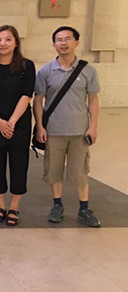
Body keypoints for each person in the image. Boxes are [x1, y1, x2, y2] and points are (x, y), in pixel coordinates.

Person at [34, 26, 101, 227]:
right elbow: (38, 100)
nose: (63, 43)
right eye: (59, 40)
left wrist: (93, 126)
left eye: (67, 39)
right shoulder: (46, 71)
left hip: (79, 131)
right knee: (53, 170)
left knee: (80, 171)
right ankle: (57, 205)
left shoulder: (88, 70)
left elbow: (93, 100)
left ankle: (84, 208)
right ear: (53, 44)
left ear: (76, 42)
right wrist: (40, 126)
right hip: (53, 131)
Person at [0, 25, 35, 227]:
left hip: (19, 124)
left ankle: (14, 207)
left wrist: (11, 122)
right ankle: (0, 206)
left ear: (15, 43)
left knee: (19, 165)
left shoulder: (26, 66)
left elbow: (27, 94)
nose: (2, 43)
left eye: (7, 39)